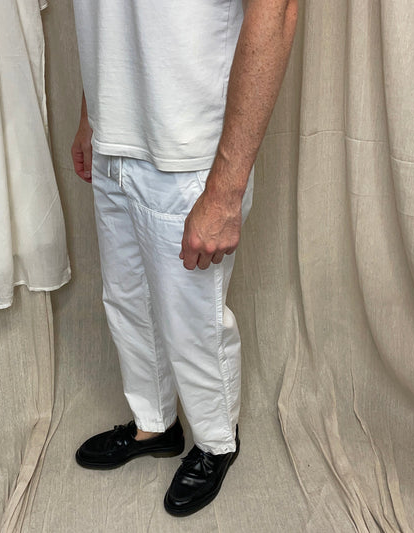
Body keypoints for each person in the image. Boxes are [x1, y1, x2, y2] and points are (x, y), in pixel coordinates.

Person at [71, 0, 297, 516]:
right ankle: (155, 425)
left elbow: (277, 9)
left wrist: (227, 189)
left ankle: (216, 442)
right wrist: (91, 113)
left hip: (187, 137)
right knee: (126, 298)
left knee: (191, 319)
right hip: (113, 128)